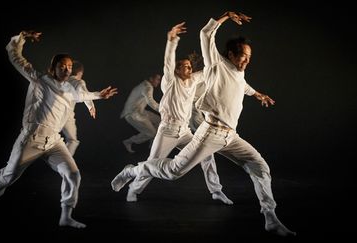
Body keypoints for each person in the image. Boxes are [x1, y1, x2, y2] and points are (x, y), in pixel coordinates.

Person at [111, 12, 296, 236]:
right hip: (207, 132)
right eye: (243, 56)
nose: (246, 61)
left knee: (260, 167)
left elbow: (243, 86)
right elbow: (205, 33)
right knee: (173, 172)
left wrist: (258, 95)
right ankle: (133, 171)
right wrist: (226, 16)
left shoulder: (234, 74)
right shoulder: (215, 66)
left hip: (230, 136)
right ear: (230, 54)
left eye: (249, 57)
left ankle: (270, 218)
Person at [0, 31, 118, 229]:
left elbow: (80, 94)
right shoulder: (39, 79)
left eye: (70, 67)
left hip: (53, 141)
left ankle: (65, 216)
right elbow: (15, 57)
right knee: (9, 175)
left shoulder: (70, 88)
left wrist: (96, 97)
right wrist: (22, 38)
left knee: (73, 174)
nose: (67, 70)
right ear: (53, 67)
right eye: (63, 66)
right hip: (31, 139)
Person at [125, 22, 232, 205]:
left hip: (184, 132)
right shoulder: (169, 81)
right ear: (176, 70)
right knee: (153, 163)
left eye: (190, 67)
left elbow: (210, 69)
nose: (189, 69)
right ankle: (133, 189)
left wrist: (226, 61)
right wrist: (171, 40)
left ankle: (216, 191)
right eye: (185, 67)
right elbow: (168, 61)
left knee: (207, 155)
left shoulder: (193, 80)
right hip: (167, 131)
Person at [62, 61, 96, 155]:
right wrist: (91, 107)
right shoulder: (79, 81)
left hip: (53, 113)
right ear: (80, 73)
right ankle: (64, 162)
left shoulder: (63, 80)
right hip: (66, 116)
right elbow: (84, 93)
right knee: (73, 141)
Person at [121, 74, 161, 153]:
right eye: (157, 79)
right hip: (132, 114)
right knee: (152, 133)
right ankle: (128, 141)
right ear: (151, 78)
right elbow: (151, 102)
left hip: (139, 111)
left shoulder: (145, 84)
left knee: (159, 121)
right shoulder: (147, 87)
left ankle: (152, 143)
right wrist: (165, 110)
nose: (159, 82)